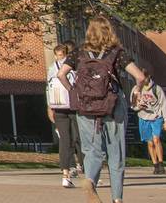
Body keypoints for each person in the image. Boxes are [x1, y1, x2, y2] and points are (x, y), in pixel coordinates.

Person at [57, 16, 153, 203]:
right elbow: (140, 77)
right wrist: (137, 91)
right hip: (113, 105)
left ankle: (90, 180)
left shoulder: (78, 53)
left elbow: (61, 74)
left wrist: (73, 91)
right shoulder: (117, 53)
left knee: (91, 150)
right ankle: (117, 199)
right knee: (116, 153)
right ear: (110, 31)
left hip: (85, 106)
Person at [46, 42, 83, 188]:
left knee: (64, 141)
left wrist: (49, 107)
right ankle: (87, 171)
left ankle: (65, 174)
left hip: (58, 105)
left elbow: (48, 87)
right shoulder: (74, 65)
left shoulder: (51, 68)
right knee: (80, 138)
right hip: (73, 105)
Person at [131, 77, 166, 176]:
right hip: (143, 117)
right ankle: (155, 165)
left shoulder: (156, 88)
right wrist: (139, 107)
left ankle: (161, 164)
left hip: (156, 116)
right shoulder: (136, 89)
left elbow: (164, 104)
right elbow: (133, 105)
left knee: (156, 139)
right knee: (150, 142)